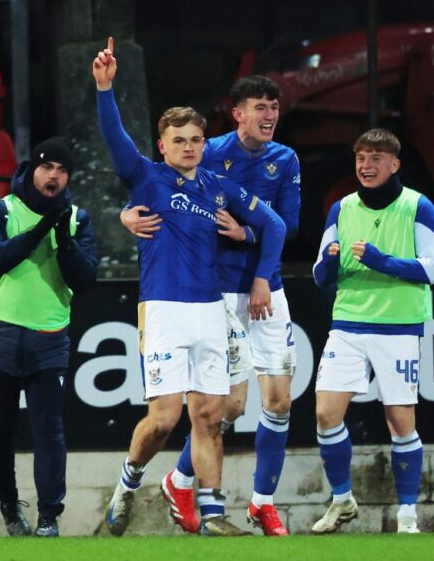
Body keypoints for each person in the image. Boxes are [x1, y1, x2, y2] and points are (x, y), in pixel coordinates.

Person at [93, 37, 287, 537]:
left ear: (205, 143)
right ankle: (128, 482)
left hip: (209, 312)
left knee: (210, 415)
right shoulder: (147, 179)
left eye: (196, 139)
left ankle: (213, 511)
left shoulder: (219, 188)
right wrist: (105, 89)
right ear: (163, 145)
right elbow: (115, 139)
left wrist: (260, 265)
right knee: (162, 419)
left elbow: (277, 225)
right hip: (163, 310)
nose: (188, 147)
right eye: (179, 140)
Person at [311, 128, 434, 534]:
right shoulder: (341, 208)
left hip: (397, 327)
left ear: (394, 164)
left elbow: (432, 269)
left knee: (400, 419)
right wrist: (330, 264)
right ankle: (341, 499)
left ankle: (407, 515)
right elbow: (319, 274)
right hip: (348, 322)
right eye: (361, 159)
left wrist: (382, 260)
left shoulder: (418, 207)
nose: (366, 166)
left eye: (376, 158)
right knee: (325, 414)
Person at [0, 136, 98, 538]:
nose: (54, 176)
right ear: (33, 170)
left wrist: (62, 241)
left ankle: (48, 517)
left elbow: (86, 278)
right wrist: (37, 232)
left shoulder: (77, 219)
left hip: (48, 337)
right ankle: (8, 506)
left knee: (49, 430)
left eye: (62, 170)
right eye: (47, 168)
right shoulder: (2, 210)